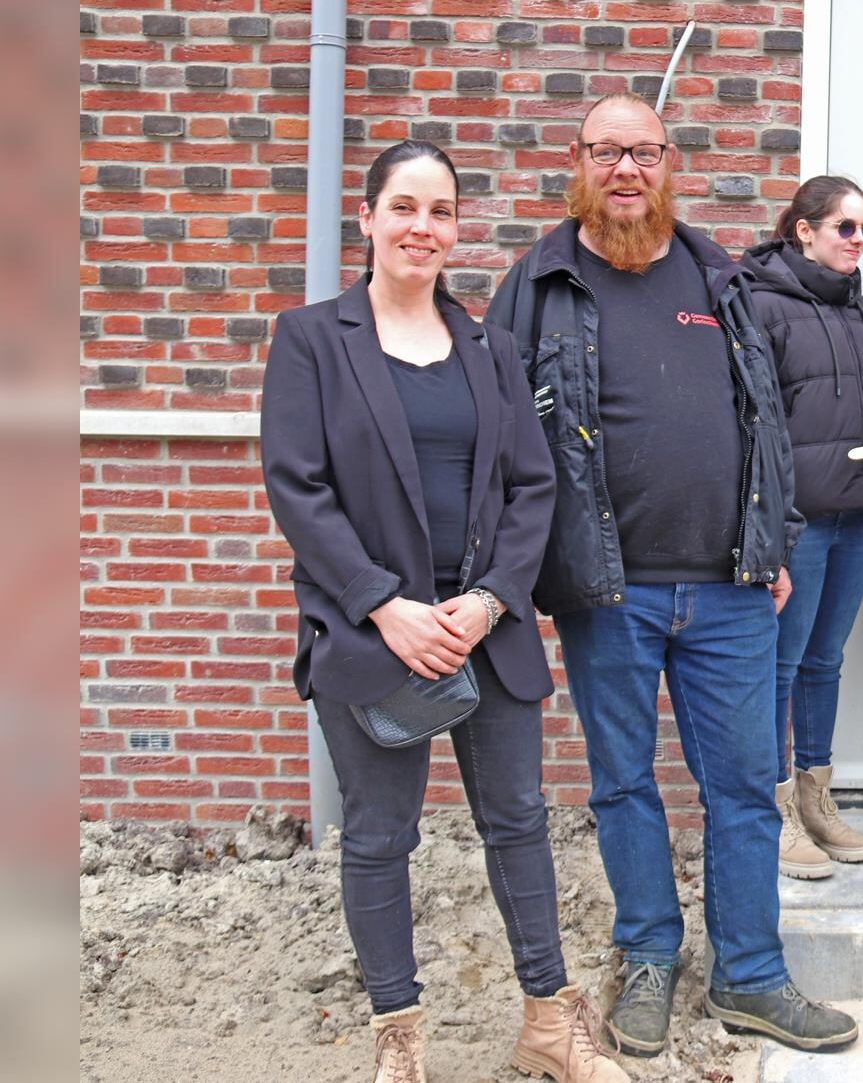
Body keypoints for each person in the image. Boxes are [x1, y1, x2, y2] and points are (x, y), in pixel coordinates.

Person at [484, 93, 858, 1055]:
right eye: (606, 151)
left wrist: (770, 543)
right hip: (606, 590)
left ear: (669, 163)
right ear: (578, 161)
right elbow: (499, 439)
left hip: (732, 587)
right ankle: (649, 957)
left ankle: (751, 976)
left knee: (744, 785)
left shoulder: (718, 275)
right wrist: (512, 573)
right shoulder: (538, 283)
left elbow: (765, 418)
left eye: (644, 152)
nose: (626, 170)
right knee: (623, 785)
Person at [261, 141, 627, 1083]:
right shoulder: (311, 340)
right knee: (381, 838)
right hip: (371, 635)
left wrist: (490, 597)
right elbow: (298, 490)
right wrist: (384, 605)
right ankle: (401, 1044)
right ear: (369, 219)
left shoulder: (488, 348)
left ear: (458, 229)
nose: (424, 228)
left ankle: (550, 1025)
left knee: (519, 823)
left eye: (442, 212)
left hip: (483, 632)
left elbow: (531, 486)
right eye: (405, 208)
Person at [740, 177, 863, 880]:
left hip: (859, 515)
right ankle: (772, 808)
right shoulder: (761, 304)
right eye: (845, 227)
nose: (858, 241)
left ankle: (816, 799)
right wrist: (767, 531)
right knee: (780, 664)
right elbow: (753, 425)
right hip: (801, 524)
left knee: (823, 662)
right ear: (803, 230)